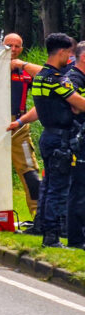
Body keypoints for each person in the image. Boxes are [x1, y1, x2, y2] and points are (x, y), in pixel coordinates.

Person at [30, 33, 85, 248]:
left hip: (48, 135)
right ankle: (51, 236)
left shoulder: (41, 76)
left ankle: (44, 230)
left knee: (50, 186)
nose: (70, 58)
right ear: (61, 52)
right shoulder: (56, 79)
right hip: (60, 139)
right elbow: (77, 103)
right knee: (58, 189)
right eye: (69, 53)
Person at [3, 33, 42, 222]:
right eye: (9, 45)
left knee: (30, 170)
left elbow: (48, 77)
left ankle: (38, 215)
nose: (13, 49)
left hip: (19, 127)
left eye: (17, 46)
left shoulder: (25, 70)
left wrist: (21, 64)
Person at [66, 42, 85, 249]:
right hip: (77, 140)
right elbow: (74, 107)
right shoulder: (73, 78)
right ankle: (76, 239)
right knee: (78, 190)